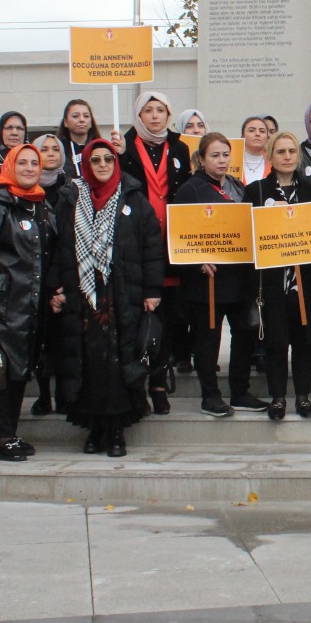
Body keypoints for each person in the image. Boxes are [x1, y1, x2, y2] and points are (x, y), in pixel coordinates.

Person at [51, 138, 164, 455]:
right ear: (86, 164)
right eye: (96, 160)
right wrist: (56, 286)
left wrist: (153, 290)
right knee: (89, 363)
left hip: (122, 294)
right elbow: (59, 247)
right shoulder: (70, 199)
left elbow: (151, 247)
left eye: (108, 160)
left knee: (118, 364)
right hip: (83, 295)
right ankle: (95, 431)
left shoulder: (134, 198)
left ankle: (116, 432)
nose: (102, 165)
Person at [0, 145, 60, 461]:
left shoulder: (40, 205)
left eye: (35, 162)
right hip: (0, 302)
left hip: (30, 303)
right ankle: (1, 437)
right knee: (2, 371)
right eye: (23, 162)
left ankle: (10, 433)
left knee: (19, 370)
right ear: (9, 165)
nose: (30, 167)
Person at [171, 133, 261, 417]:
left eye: (225, 155)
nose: (221, 160)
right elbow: (178, 234)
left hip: (238, 276)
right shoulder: (190, 190)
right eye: (215, 155)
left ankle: (240, 391)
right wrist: (196, 259)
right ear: (201, 159)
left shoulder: (237, 187)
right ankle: (210, 395)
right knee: (208, 340)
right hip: (207, 282)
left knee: (244, 334)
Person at [245, 131, 311, 419]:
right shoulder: (256, 190)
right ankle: (278, 398)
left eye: (292, 151)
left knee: (304, 342)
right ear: (270, 156)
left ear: (298, 155)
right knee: (276, 343)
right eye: (280, 152)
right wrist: (269, 214)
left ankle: (303, 397)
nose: (286, 157)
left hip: (304, 282)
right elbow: (247, 236)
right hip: (272, 282)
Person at [120, 91, 193, 397]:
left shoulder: (180, 147)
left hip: (173, 241)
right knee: (143, 314)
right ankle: (140, 380)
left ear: (168, 114)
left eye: (160, 110)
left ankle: (161, 381)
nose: (154, 115)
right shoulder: (124, 146)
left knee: (171, 314)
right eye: (147, 110)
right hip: (139, 242)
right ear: (139, 115)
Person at [57, 99, 103, 178]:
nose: (82, 120)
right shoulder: (58, 150)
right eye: (75, 116)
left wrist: (121, 153)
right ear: (65, 122)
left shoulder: (102, 148)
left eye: (86, 116)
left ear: (91, 122)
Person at [33, 133, 71, 207]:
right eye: (44, 150)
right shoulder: (26, 185)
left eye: (56, 149)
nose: (51, 154)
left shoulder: (71, 186)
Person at [239, 116, 271, 185]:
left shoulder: (274, 162)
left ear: (267, 137)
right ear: (242, 136)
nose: (257, 134)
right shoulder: (232, 161)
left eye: (262, 131)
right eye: (251, 130)